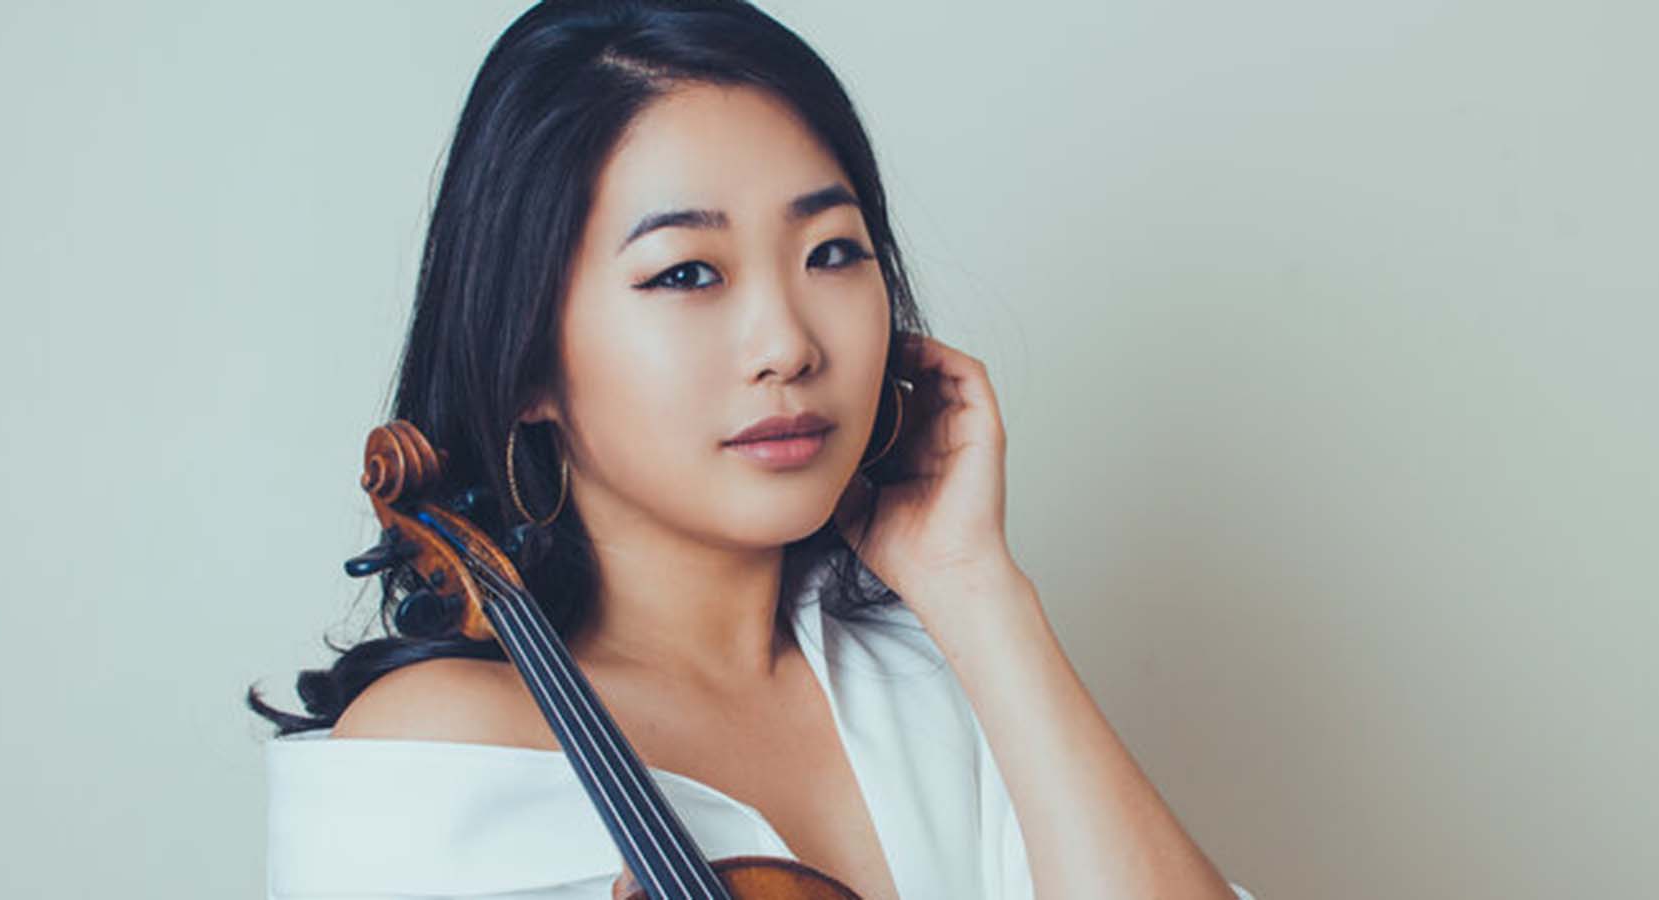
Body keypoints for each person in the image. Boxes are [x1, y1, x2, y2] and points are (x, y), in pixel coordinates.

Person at [249, 2, 1258, 898]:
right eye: (687, 273)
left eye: (831, 252)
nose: (788, 344)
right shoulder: (436, 758)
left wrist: (979, 593)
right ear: (526, 361)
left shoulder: (932, 674)